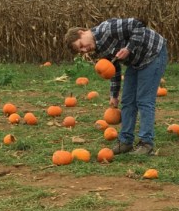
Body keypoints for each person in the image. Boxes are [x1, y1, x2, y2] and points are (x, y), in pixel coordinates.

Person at [64, 18, 168, 155]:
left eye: (81, 45)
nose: (85, 50)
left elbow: (138, 25)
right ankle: (125, 141)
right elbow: (113, 69)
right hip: (136, 62)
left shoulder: (107, 29)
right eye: (81, 51)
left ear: (81, 32)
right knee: (127, 100)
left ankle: (146, 143)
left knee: (144, 100)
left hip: (153, 53)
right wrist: (114, 95)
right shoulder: (98, 49)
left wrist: (128, 48)